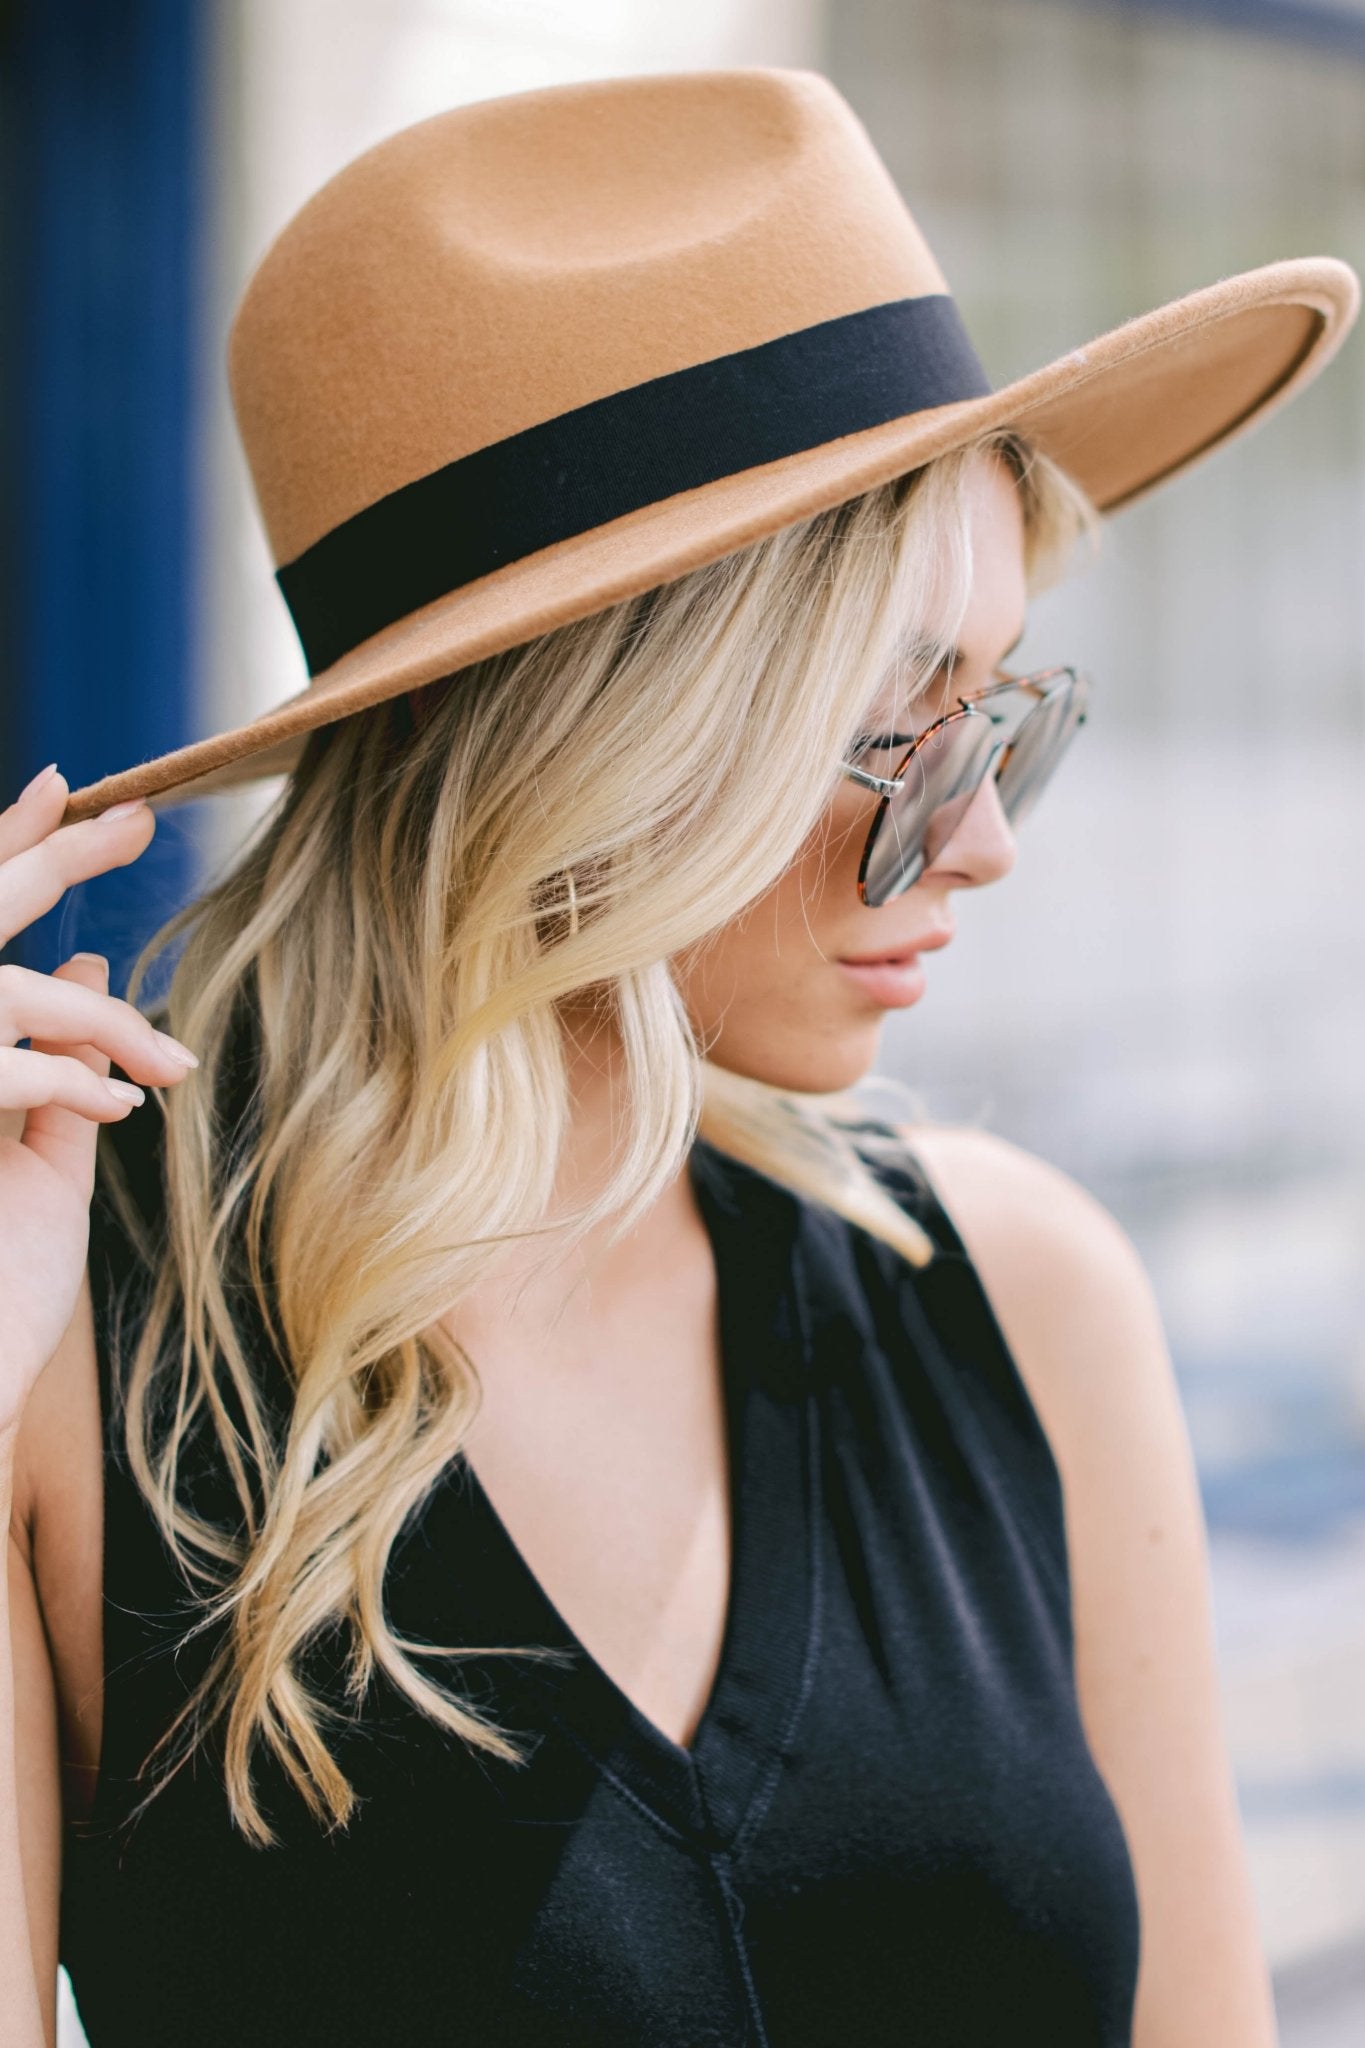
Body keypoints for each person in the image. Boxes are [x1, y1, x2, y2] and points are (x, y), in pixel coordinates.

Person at [1, 66, 1358, 2048]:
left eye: (1012, 718)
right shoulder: (76, 1362)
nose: (982, 840)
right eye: (909, 740)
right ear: (605, 750)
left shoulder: (1016, 1296)